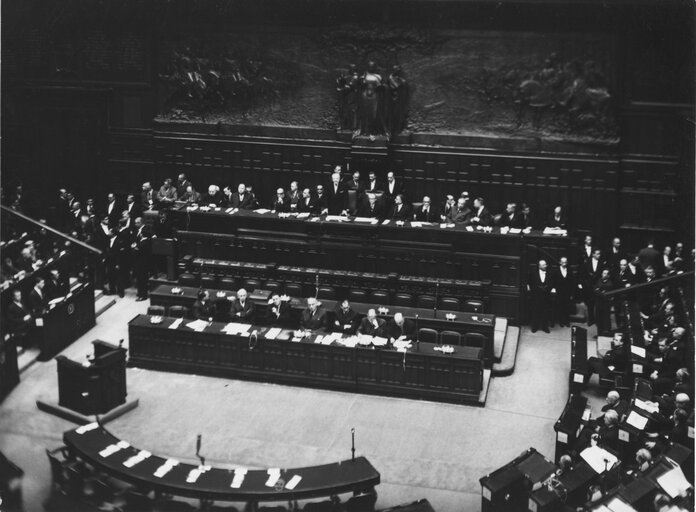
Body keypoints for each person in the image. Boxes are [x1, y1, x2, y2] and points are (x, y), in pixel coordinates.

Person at [579, 248, 604, 326]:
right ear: (593, 254)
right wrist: (584, 284)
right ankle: (591, 319)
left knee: (598, 304)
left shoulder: (601, 263)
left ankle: (598, 320)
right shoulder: (587, 262)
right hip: (589, 286)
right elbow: (583, 274)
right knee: (590, 304)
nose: (599, 255)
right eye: (597, 254)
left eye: (599, 254)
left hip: (598, 286)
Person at [131, 217, 152, 301]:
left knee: (142, 278)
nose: (135, 224)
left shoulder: (145, 236)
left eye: (137, 223)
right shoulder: (139, 235)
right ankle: (140, 292)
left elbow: (141, 247)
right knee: (139, 278)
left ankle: (143, 295)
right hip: (139, 260)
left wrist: (136, 247)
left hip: (143, 261)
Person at [528, 259, 552, 333]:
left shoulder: (549, 273)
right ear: (539, 266)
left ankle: (545, 327)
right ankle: (535, 327)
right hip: (536, 295)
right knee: (535, 311)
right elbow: (530, 282)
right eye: (543, 265)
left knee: (545, 311)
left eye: (545, 264)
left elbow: (552, 282)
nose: (545, 266)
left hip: (546, 295)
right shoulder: (533, 273)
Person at [551, 256, 574, 327]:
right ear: (560, 262)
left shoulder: (569, 270)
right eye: (563, 262)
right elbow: (553, 281)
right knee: (560, 307)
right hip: (559, 292)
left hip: (567, 292)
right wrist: (554, 288)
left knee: (567, 307)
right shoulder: (556, 270)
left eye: (565, 262)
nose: (564, 263)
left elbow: (572, 282)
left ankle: (567, 321)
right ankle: (561, 321)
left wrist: (571, 293)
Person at [593, 268, 614, 336]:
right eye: (603, 273)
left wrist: (598, 290)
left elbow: (604, 294)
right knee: (598, 319)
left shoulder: (609, 283)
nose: (603, 275)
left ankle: (606, 333)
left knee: (606, 318)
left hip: (605, 304)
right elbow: (595, 289)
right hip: (599, 303)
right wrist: (600, 291)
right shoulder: (599, 280)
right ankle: (599, 333)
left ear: (608, 275)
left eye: (605, 273)